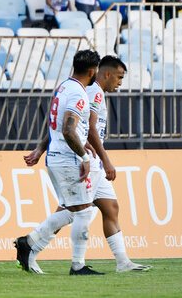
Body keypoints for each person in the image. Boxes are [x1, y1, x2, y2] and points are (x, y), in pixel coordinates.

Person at [19, 56, 152, 274]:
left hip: (84, 158)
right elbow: (84, 128)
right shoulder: (90, 92)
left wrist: (41, 149)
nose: (120, 83)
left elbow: (66, 124)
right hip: (82, 158)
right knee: (75, 210)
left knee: (108, 208)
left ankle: (122, 262)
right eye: (119, 77)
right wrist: (103, 159)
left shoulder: (74, 88)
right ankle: (33, 247)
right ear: (102, 72)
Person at [13, 50, 101, 275]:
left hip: (57, 155)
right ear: (93, 71)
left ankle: (30, 244)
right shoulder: (79, 95)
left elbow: (61, 127)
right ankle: (76, 264)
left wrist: (43, 148)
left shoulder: (63, 88)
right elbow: (68, 129)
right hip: (68, 159)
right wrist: (83, 156)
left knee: (74, 209)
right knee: (84, 211)